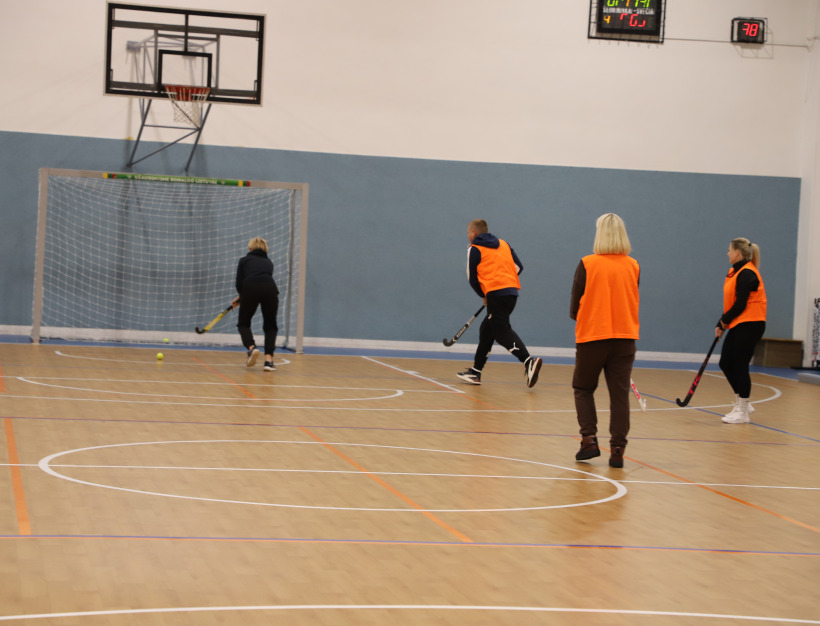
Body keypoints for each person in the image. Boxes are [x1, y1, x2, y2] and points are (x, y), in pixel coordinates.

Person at [570, 213, 640, 469]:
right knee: (619, 395)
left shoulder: (587, 263)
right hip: (625, 337)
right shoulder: (633, 265)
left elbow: (574, 306)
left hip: (593, 336)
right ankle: (618, 450)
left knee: (583, 388)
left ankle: (589, 440)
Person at [456, 219, 542, 387]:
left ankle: (529, 361)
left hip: (496, 295)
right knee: (487, 329)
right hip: (511, 293)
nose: (467, 236)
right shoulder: (504, 244)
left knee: (501, 332)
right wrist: (505, 281)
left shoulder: (474, 248)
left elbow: (472, 278)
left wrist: (484, 294)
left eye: (468, 233)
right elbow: (518, 267)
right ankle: (476, 372)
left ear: (474, 233)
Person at [715, 238, 766, 424]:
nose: (727, 253)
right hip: (739, 323)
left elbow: (741, 304)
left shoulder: (747, 273)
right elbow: (732, 303)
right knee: (725, 362)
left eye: (729, 250)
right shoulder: (734, 272)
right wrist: (721, 323)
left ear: (737, 253)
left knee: (740, 365)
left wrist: (724, 322)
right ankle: (742, 402)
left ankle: (743, 411)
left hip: (751, 323)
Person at [232, 237, 279, 372]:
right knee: (270, 326)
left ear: (250, 248)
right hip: (270, 290)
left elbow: (239, 283)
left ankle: (252, 348)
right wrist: (242, 296)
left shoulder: (244, 260)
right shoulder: (269, 262)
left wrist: (242, 297)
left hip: (250, 289)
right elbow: (261, 280)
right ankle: (269, 361)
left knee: (243, 323)